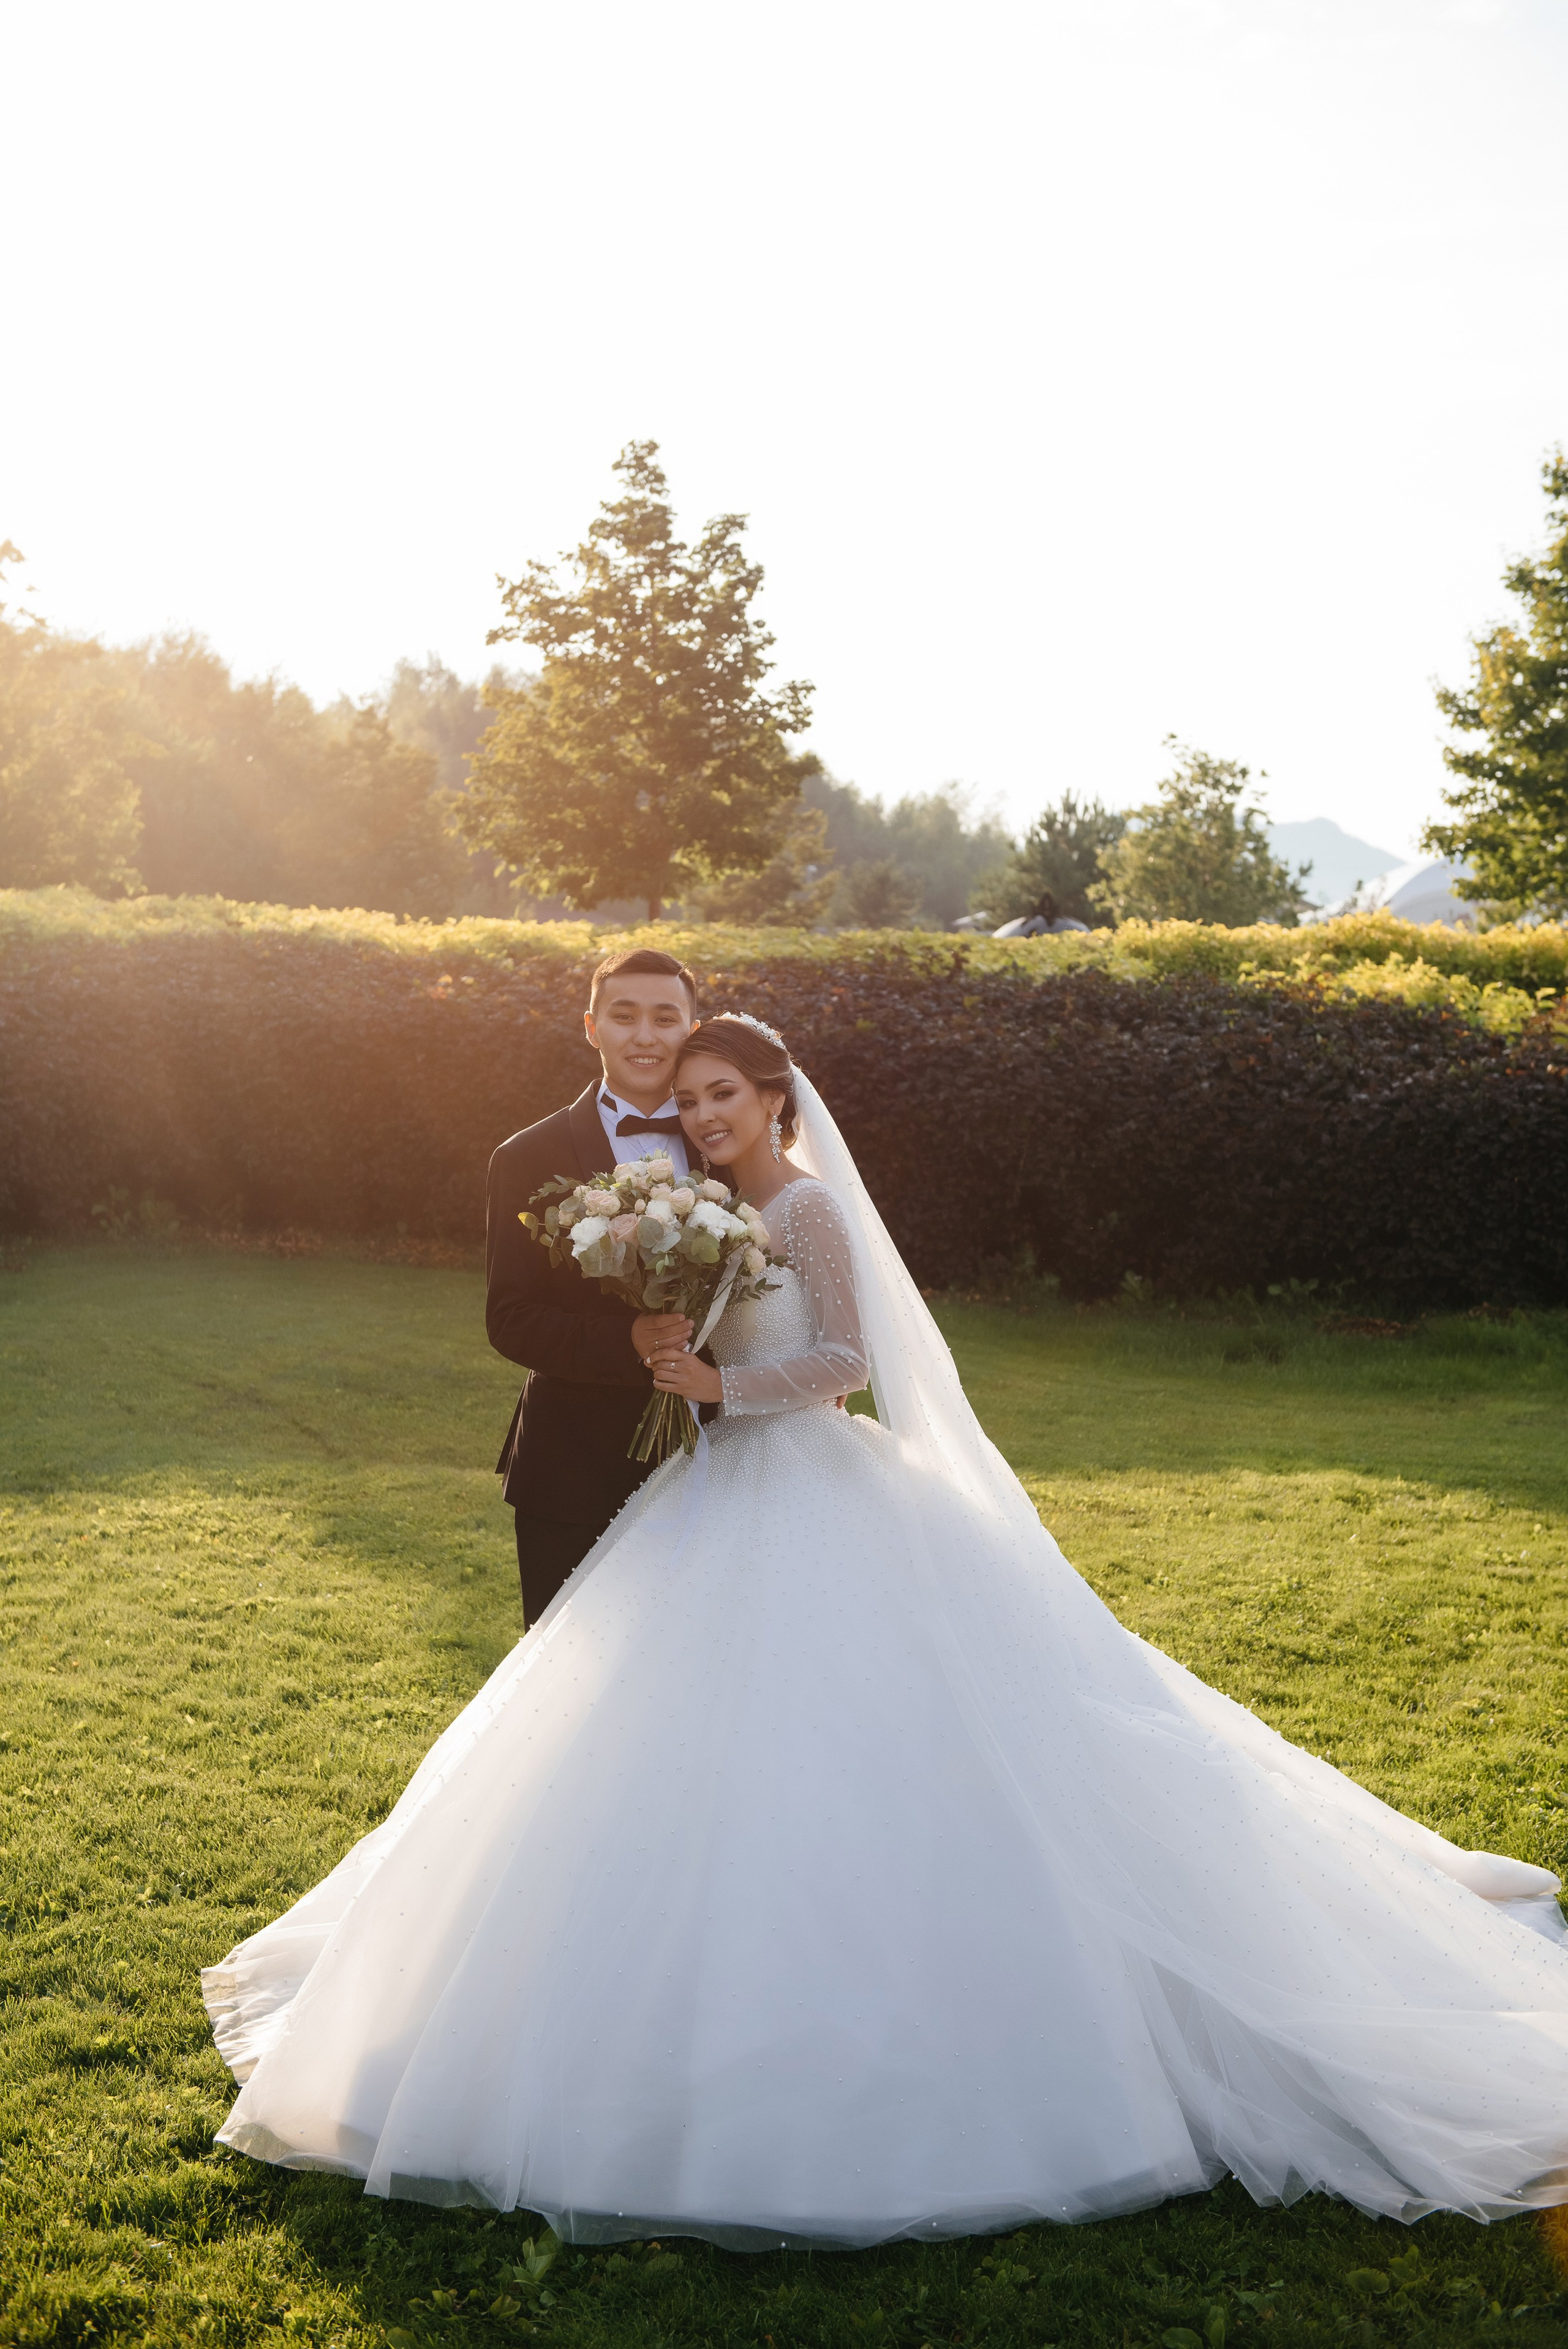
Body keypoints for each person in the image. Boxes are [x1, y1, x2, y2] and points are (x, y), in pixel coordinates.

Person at [202, 1014, 1568, 2249]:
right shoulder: (707, 1208)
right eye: (687, 1099)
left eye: (723, 1092)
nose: (702, 1114)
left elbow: (847, 1365)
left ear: (774, 1097)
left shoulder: (799, 1210)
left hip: (804, 1493)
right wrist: (667, 1351)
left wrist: (718, 1385)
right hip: (711, 1502)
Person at [484, 946, 701, 1625]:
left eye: (665, 1018)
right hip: (571, 1472)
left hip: (717, 1469)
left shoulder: (731, 1143)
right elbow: (510, 1317)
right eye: (624, 1015)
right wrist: (626, 1338)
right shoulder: (526, 1157)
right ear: (590, 1026)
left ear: (692, 1029)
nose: (644, 1035)